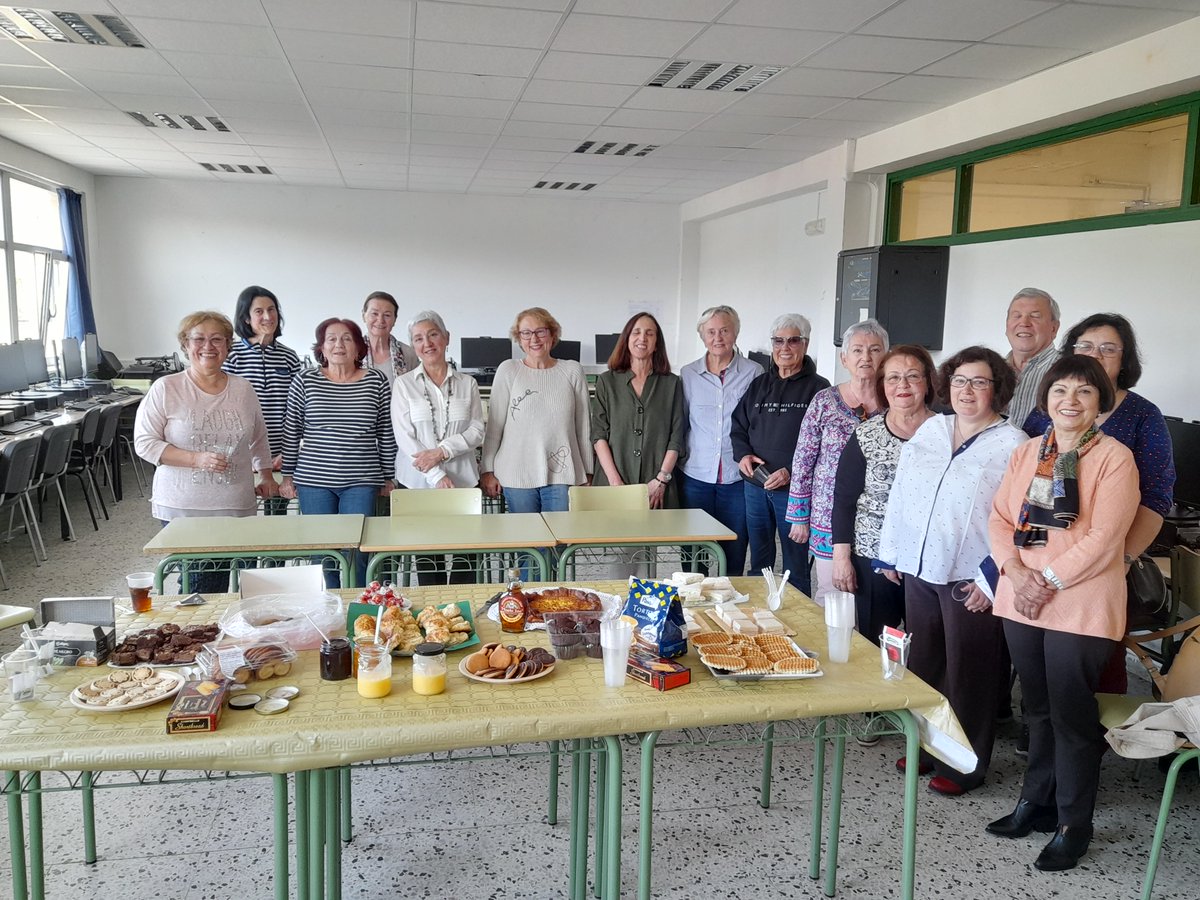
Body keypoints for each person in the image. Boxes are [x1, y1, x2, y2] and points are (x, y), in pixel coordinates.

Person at [985, 355, 1139, 872]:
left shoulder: (1115, 457)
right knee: (1037, 709)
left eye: (1083, 392)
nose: (1069, 401)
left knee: (1072, 718)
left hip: (1079, 604)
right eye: (1059, 391)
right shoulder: (1028, 451)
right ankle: (1036, 803)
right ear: (1044, 398)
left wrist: (1045, 581)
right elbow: (1001, 517)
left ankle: (1075, 823)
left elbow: (1105, 538)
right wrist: (1014, 568)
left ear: (1101, 403)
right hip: (1021, 597)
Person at [876, 346, 1026, 796]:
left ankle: (966, 764)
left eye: (979, 382)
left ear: (997, 390)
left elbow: (1021, 519)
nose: (967, 391)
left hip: (971, 577)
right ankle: (926, 745)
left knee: (970, 673)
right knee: (925, 666)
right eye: (960, 381)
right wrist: (892, 554)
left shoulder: (1013, 444)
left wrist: (991, 579)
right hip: (921, 568)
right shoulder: (931, 429)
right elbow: (900, 494)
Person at [1023, 312, 1175, 693]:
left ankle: (1092, 735)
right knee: (1038, 656)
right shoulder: (1048, 409)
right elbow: (1017, 478)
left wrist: (1120, 559)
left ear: (1124, 361)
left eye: (1108, 349)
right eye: (1085, 347)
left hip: (1104, 563)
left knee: (1095, 662)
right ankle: (1038, 728)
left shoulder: (1142, 416)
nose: (1095, 355)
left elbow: (1156, 497)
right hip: (1040, 558)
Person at [133, 311, 276, 592]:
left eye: (216, 339)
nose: (208, 347)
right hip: (186, 506)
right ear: (186, 345)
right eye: (199, 339)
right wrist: (196, 459)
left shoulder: (243, 389)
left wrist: (267, 474)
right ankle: (200, 636)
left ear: (227, 346)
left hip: (237, 502)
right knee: (203, 585)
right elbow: (145, 443)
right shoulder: (167, 388)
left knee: (244, 585)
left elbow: (259, 436)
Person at [830, 344, 938, 646]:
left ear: (928, 382)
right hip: (872, 553)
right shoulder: (866, 434)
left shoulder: (947, 431)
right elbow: (844, 501)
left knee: (928, 643)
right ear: (882, 385)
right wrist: (842, 558)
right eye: (892, 378)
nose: (902, 385)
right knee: (874, 639)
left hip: (931, 557)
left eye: (912, 376)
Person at [280, 318, 396, 586]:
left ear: (358, 347)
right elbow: (291, 429)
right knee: (323, 551)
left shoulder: (375, 381)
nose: (338, 345)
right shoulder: (305, 380)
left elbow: (386, 432)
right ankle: (328, 609)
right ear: (321, 347)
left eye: (347, 339)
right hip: (314, 481)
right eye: (331, 339)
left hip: (361, 480)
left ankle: (359, 608)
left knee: (358, 549)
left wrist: (389, 476)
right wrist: (287, 476)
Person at [786, 319, 887, 604]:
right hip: (826, 515)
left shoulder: (895, 404)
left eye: (874, 350)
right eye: (857, 350)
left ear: (885, 357)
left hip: (879, 520)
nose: (865, 357)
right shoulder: (824, 401)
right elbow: (804, 458)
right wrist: (798, 516)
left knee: (874, 600)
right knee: (831, 593)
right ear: (844, 358)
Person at [731, 314, 828, 593]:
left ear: (805, 344)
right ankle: (757, 613)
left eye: (793, 340)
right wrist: (744, 455)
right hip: (755, 486)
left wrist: (790, 471)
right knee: (759, 558)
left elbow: (823, 445)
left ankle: (798, 620)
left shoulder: (819, 389)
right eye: (778, 341)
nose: (785, 347)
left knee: (795, 563)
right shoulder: (759, 385)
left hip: (794, 490)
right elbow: (738, 426)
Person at [391, 310, 485, 584]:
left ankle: (463, 613)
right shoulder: (404, 385)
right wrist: (437, 475)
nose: (427, 343)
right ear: (413, 346)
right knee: (427, 559)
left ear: (446, 338)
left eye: (433, 334)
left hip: (464, 482)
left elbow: (477, 430)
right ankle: (433, 620)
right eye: (418, 338)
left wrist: (442, 451)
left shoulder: (468, 383)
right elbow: (405, 437)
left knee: (466, 556)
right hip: (419, 484)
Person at [480, 307, 591, 514]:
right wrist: (487, 470)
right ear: (519, 338)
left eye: (541, 331)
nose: (534, 339)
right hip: (516, 473)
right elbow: (494, 427)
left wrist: (588, 472)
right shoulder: (508, 370)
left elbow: (583, 427)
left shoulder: (572, 370)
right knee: (526, 541)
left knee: (559, 540)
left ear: (552, 334)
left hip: (562, 474)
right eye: (526, 333)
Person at [678, 305, 763, 577]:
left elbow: (757, 423)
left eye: (724, 330)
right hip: (695, 476)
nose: (718, 338)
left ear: (735, 333)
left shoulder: (754, 372)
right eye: (711, 332)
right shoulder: (688, 374)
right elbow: (681, 421)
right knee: (693, 554)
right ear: (702, 337)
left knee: (735, 551)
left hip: (737, 477)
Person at [591, 311, 684, 509]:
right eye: (636, 332)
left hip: (657, 484)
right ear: (626, 339)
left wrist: (661, 480)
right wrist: (615, 483)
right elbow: (598, 435)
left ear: (657, 343)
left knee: (657, 538)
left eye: (649, 333)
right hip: (612, 480)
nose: (642, 338)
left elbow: (676, 437)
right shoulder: (607, 382)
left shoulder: (672, 384)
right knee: (611, 537)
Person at [222, 285, 301, 515]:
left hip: (281, 453)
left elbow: (298, 409)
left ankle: (273, 553)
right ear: (246, 318)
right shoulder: (232, 357)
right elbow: (226, 411)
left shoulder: (289, 357)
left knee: (277, 512)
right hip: (243, 453)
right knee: (242, 513)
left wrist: (289, 452)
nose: (267, 316)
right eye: (259, 311)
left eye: (272, 309)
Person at [1003, 287, 1060, 432]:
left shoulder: (1068, 372)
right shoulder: (991, 370)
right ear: (1006, 325)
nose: (1024, 323)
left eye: (1035, 316)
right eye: (1016, 316)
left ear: (1054, 328)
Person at [361, 290, 415, 385]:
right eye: (374, 314)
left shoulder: (408, 354)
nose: (380, 320)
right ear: (363, 316)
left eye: (387, 315)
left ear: (394, 320)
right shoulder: (351, 353)